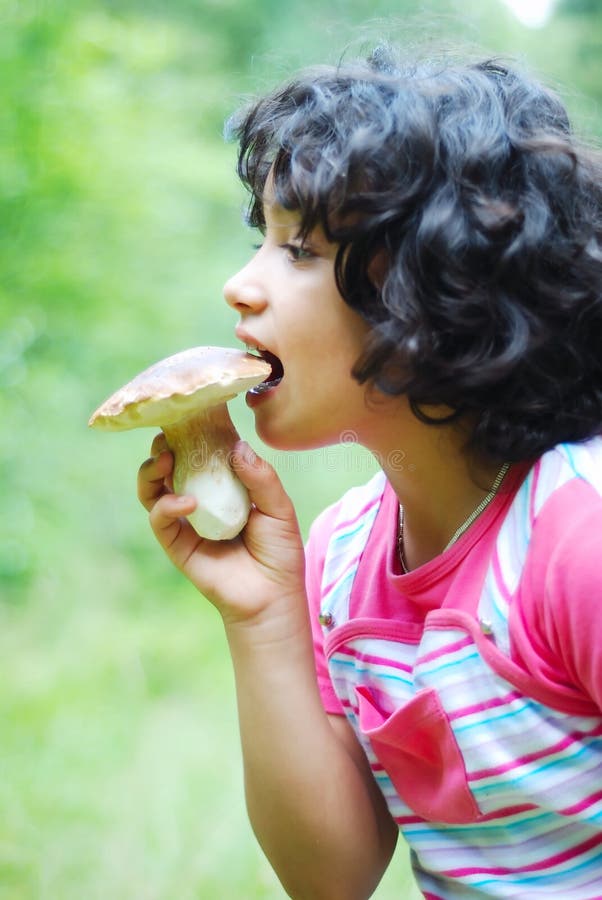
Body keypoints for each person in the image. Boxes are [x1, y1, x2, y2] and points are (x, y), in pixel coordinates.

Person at [137, 46, 602, 899]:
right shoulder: (346, 555)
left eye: (301, 250)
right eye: (260, 240)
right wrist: (264, 619)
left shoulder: (577, 538)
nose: (240, 286)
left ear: (441, 286)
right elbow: (333, 875)